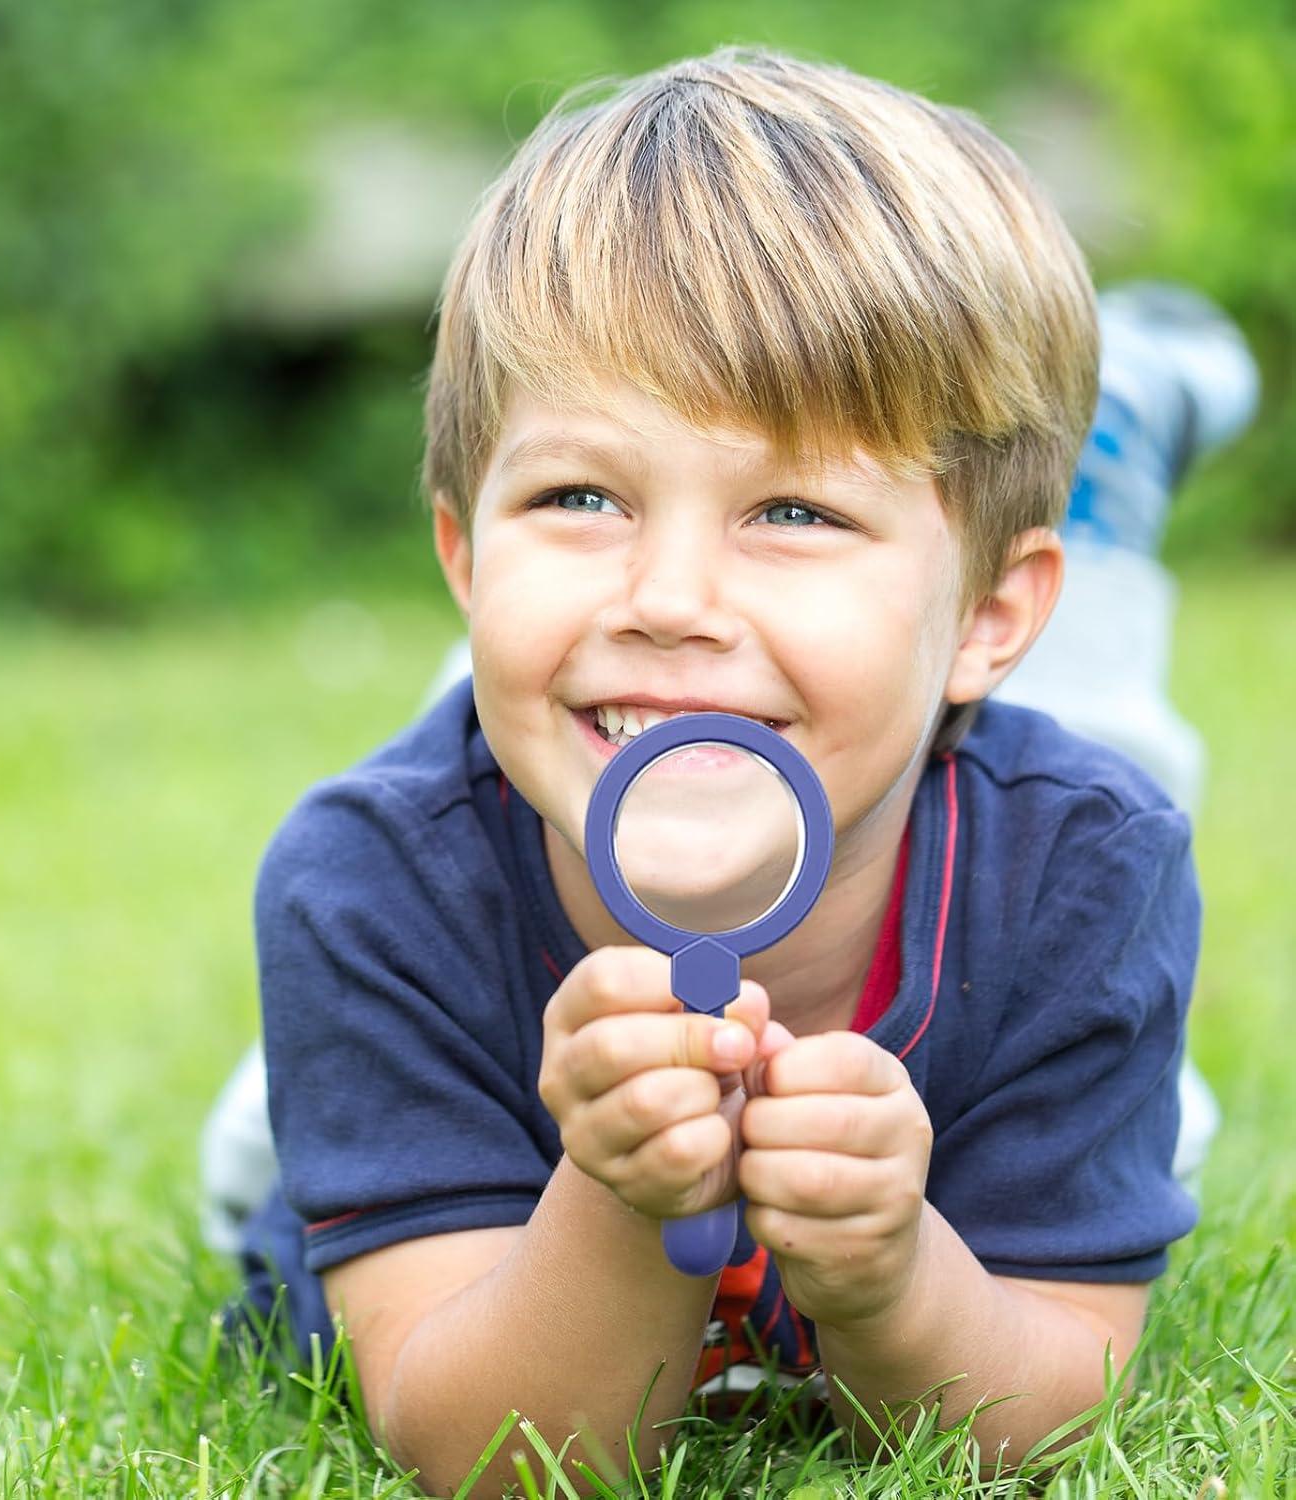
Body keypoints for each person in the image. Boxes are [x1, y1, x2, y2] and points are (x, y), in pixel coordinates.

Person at [213, 50, 1255, 1486]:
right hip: (449, 957)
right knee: (289, 1102)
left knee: (1131, 886)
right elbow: (496, 1458)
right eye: (578, 494)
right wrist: (624, 1191)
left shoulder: (1088, 871)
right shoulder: (371, 891)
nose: (672, 590)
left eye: (794, 508)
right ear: (457, 550)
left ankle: (1110, 440)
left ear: (993, 615)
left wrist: (898, 1274)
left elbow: (1047, 1406)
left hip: (981, 802)